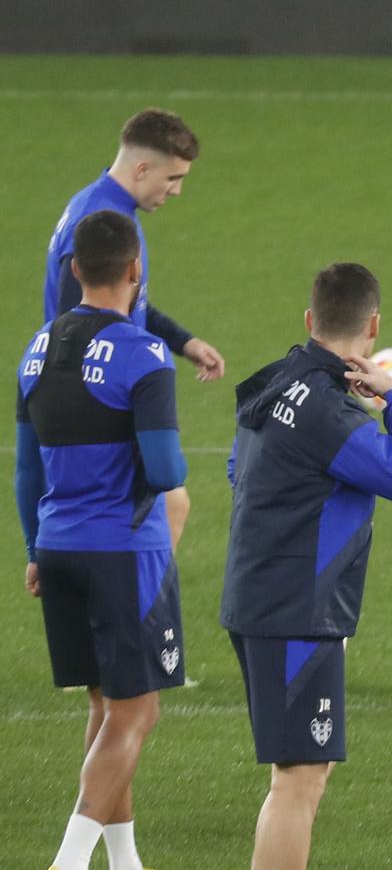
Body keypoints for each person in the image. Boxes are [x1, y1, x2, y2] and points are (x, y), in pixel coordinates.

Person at [219, 263, 392, 870]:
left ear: (309, 319)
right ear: (371, 328)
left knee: (300, 775)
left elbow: (234, 469)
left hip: (257, 595)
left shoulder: (277, 381)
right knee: (300, 780)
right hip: (296, 610)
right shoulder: (331, 416)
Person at [19, 211, 188, 870]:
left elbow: (27, 470)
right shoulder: (143, 354)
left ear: (74, 269)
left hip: (56, 544)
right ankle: (67, 864)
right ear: (134, 271)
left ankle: (125, 867)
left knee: (104, 703)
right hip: (121, 551)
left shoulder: (35, 349)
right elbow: (165, 466)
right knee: (138, 709)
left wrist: (34, 548)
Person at [44, 109, 227, 554]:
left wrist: (183, 341)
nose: (177, 190)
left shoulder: (103, 207)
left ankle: (136, 605)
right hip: (101, 397)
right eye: (173, 178)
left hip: (103, 385)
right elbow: (79, 326)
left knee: (169, 506)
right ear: (143, 168)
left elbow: (118, 302)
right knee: (161, 507)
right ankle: (141, 609)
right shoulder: (101, 217)